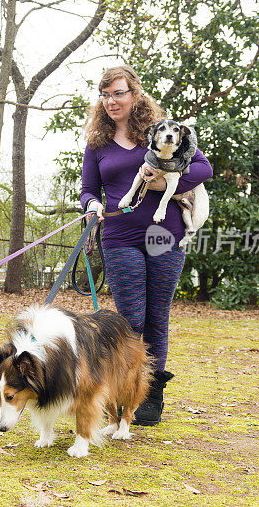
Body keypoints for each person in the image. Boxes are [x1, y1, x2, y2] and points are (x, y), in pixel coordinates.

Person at [80, 65, 213, 426]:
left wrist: (166, 178)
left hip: (164, 235)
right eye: (105, 95)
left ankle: (152, 394)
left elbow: (204, 169)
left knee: (157, 317)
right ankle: (123, 390)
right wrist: (92, 206)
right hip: (119, 235)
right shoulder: (97, 145)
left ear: (135, 94)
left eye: (118, 93)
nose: (111, 101)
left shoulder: (160, 133)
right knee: (130, 319)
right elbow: (89, 189)